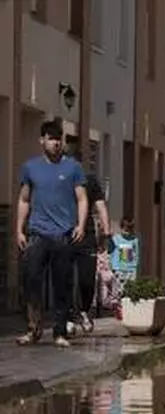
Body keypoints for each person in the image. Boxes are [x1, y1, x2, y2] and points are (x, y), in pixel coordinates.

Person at [14, 119, 88, 348]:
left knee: (62, 285)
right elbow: (24, 199)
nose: (56, 143)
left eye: (59, 139)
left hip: (63, 234)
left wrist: (81, 225)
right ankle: (33, 329)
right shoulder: (31, 168)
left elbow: (82, 198)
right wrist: (19, 229)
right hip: (37, 233)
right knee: (31, 281)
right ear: (42, 141)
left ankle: (59, 332)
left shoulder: (73, 167)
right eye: (51, 139)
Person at [70, 169, 112, 332]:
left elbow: (100, 205)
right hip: (63, 233)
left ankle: (83, 310)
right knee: (65, 277)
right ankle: (68, 316)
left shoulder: (89, 180)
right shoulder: (57, 179)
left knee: (87, 278)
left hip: (86, 234)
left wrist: (106, 231)